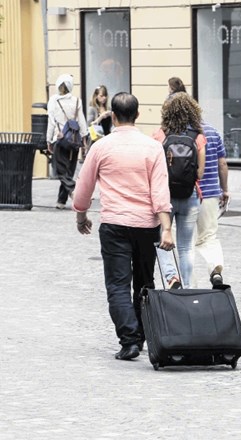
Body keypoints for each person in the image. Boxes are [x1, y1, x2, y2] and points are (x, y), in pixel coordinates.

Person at [72, 92, 175, 361]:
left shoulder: (101, 147)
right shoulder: (152, 147)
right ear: (138, 115)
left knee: (117, 285)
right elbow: (160, 191)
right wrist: (166, 228)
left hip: (114, 223)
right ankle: (142, 334)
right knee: (144, 281)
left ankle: (129, 341)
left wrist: (81, 216)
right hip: (146, 225)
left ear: (113, 116)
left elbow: (84, 187)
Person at [152, 92, 206, 289]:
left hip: (165, 197)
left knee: (162, 239)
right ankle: (187, 286)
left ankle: (171, 277)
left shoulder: (159, 136)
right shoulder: (198, 137)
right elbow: (200, 173)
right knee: (185, 246)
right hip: (189, 195)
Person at [46, 73, 89, 209]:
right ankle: (61, 201)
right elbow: (81, 120)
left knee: (61, 172)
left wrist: (48, 140)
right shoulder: (76, 100)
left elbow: (51, 122)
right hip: (74, 140)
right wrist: (84, 138)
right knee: (69, 171)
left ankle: (74, 190)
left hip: (61, 139)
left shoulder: (54, 100)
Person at [196, 120, 229, 288]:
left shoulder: (175, 130)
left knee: (185, 242)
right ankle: (215, 270)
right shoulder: (212, 131)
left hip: (184, 194)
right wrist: (225, 190)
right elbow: (222, 163)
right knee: (209, 236)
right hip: (209, 193)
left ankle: (186, 283)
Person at [86, 85, 113, 158]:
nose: (104, 98)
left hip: (107, 139)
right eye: (101, 96)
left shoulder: (108, 108)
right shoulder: (92, 109)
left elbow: (110, 125)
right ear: (96, 96)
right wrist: (100, 117)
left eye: (105, 95)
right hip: (96, 140)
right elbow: (89, 125)